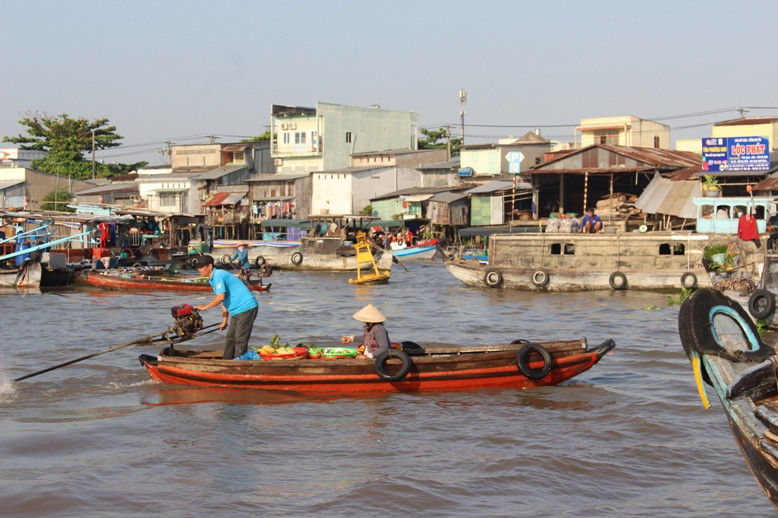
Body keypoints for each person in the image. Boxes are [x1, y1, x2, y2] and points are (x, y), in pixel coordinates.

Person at [194, 254, 259, 359]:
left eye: (201, 267)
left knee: (240, 339)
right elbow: (224, 301)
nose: (199, 270)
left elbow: (221, 297)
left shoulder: (218, 275)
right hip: (237, 310)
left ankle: (239, 364)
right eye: (198, 267)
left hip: (247, 306)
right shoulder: (212, 278)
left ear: (209, 266)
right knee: (230, 337)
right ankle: (227, 361)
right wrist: (224, 321)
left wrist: (205, 307)